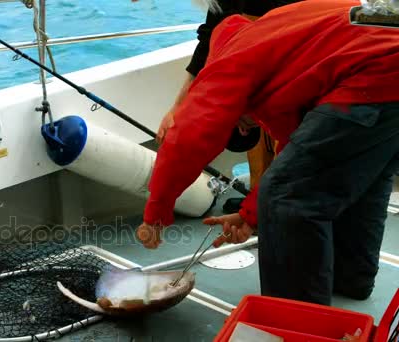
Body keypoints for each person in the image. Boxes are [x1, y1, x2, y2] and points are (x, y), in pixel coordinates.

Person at [136, 0, 399, 306]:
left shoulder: (232, 58)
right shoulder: (274, 37)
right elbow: (298, 155)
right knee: (361, 177)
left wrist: (156, 214)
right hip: (381, 54)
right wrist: (250, 215)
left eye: (241, 124)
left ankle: (296, 321)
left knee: (288, 198)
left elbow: (188, 136)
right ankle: (349, 278)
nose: (248, 129)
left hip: (378, 69)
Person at [157, 0, 301, 195]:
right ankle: (259, 203)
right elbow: (209, 37)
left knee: (293, 157)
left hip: (299, 50)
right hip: (265, 56)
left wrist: (179, 108)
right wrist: (177, 108)